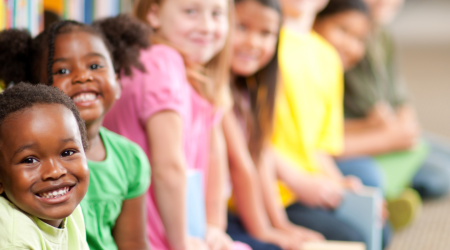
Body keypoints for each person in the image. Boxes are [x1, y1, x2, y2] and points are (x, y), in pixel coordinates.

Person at [103, 1, 250, 250]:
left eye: (217, 14)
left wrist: (213, 227)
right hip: (154, 239)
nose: (207, 26)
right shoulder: (161, 61)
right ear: (153, 14)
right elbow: (168, 168)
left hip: (180, 232)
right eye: (190, 12)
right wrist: (183, 244)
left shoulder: (194, 76)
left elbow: (214, 156)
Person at [0, 16, 152, 250]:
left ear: (118, 79)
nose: (83, 77)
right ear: (34, 88)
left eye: (94, 66)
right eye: (62, 70)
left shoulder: (128, 158)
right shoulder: (17, 229)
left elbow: (133, 242)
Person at [270, 0, 373, 244]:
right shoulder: (263, 43)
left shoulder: (327, 57)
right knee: (351, 238)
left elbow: (318, 147)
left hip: (311, 187)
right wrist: (298, 181)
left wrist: (340, 184)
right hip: (272, 190)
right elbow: (249, 134)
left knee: (373, 227)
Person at [226, 0, 325, 249]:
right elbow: (242, 168)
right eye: (241, 27)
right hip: (219, 215)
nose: (253, 42)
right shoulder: (218, 90)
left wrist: (280, 224)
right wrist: (265, 230)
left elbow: (260, 157)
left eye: (266, 33)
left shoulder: (247, 90)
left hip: (242, 211)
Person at [342, 0, 450, 200]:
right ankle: (394, 189)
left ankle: (395, 182)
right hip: (362, 138)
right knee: (439, 176)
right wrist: (390, 134)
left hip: (388, 131)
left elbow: (400, 98)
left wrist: (404, 124)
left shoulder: (383, 36)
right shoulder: (347, 40)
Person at [313, 0, 393, 246]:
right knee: (371, 176)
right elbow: (315, 145)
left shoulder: (329, 68)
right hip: (301, 177)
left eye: (358, 39)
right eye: (342, 30)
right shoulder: (311, 60)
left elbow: (324, 139)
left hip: (321, 166)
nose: (349, 44)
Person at [0, 83, 90, 249]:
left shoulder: (69, 208)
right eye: (30, 160)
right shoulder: (13, 238)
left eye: (67, 153)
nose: (55, 172)